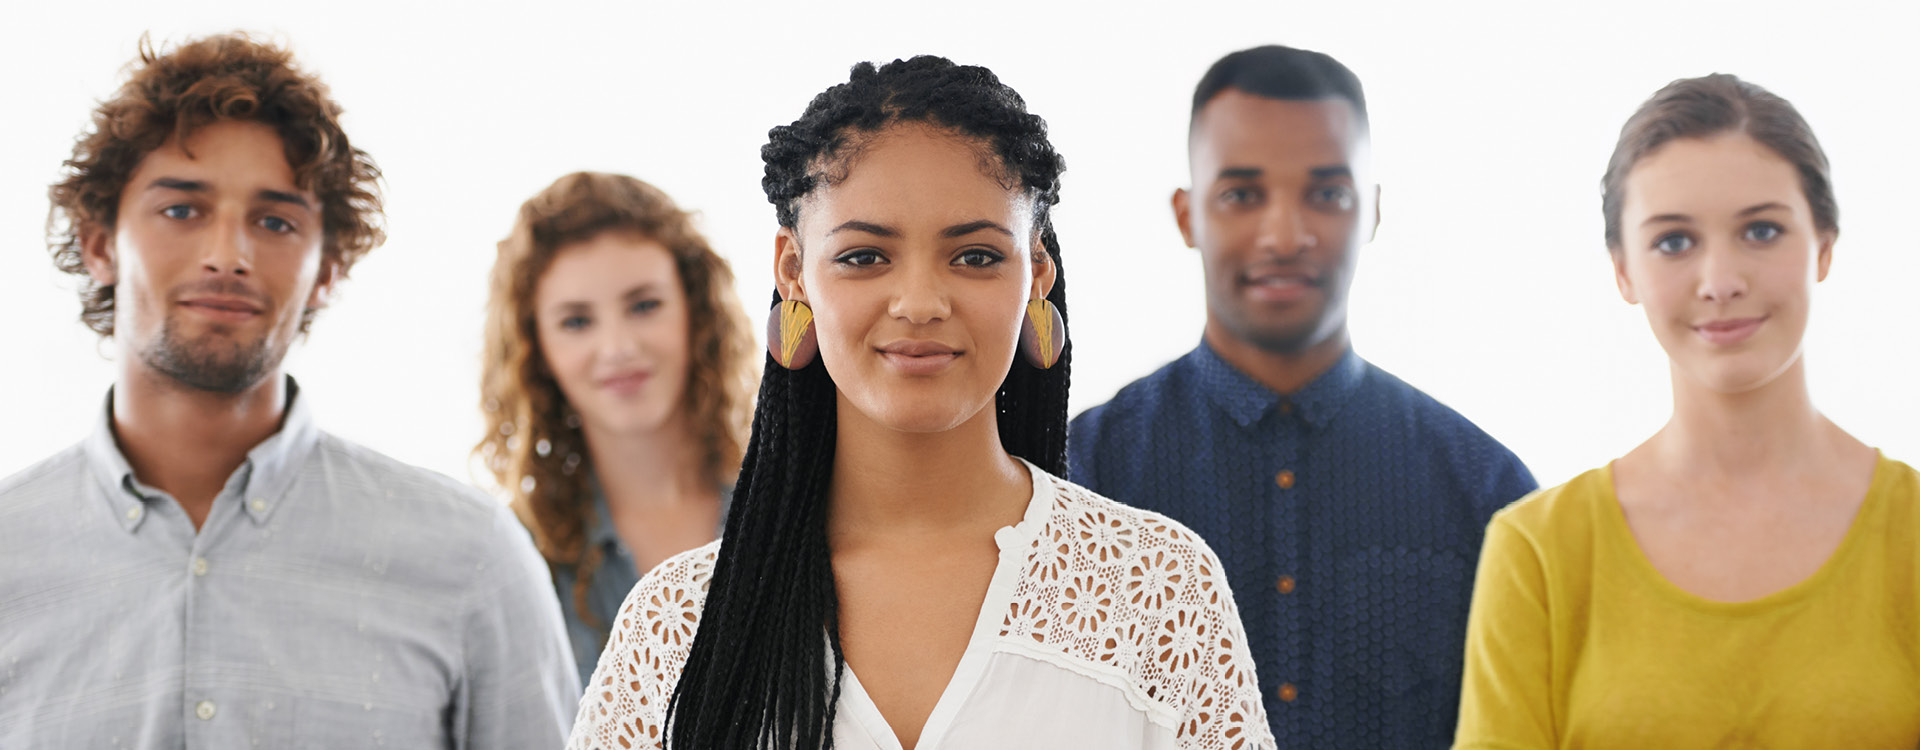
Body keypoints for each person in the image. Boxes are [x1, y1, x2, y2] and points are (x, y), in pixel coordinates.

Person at [567, 56, 1275, 750]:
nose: (920, 303)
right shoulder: (678, 622)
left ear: (1035, 273)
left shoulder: (1159, 589)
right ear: (793, 271)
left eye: (974, 256)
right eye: (864, 256)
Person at [0, 33, 577, 748]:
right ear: (99, 243)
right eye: (182, 210)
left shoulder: (472, 557)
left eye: (275, 222)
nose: (228, 256)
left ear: (327, 268)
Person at [1068, 44, 1536, 747]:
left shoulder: (1485, 489)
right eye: (1242, 194)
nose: (1284, 235)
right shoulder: (1083, 475)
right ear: (1187, 214)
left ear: (1371, 211)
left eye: (1327, 193)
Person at [1455, 74, 1920, 747]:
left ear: (1824, 245)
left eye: (1761, 230)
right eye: (1674, 241)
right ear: (1623, 270)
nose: (1721, 280)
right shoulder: (1541, 552)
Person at [476, 171, 757, 686]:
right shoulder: (516, 558)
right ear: (537, 351)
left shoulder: (794, 508)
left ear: (696, 312)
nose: (618, 348)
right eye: (577, 322)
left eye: (644, 305)